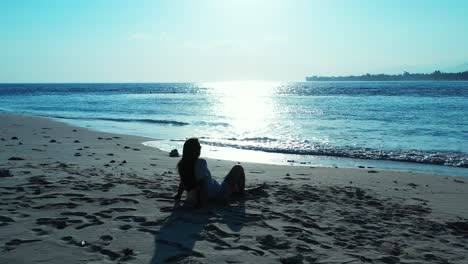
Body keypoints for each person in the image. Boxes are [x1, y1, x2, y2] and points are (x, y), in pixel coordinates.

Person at [174, 138, 245, 207]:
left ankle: (236, 190)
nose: (200, 149)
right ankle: (241, 193)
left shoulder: (182, 164)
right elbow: (202, 183)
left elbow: (183, 181)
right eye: (199, 147)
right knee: (238, 167)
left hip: (203, 194)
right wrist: (201, 203)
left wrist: (178, 195)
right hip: (218, 194)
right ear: (195, 150)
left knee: (227, 181)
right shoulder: (201, 162)